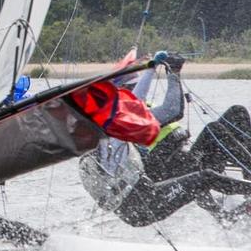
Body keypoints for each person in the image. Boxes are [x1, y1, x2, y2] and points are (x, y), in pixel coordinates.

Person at [80, 53, 251, 226]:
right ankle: (227, 211)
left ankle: (247, 194)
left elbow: (140, 95)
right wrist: (173, 72)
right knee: (213, 135)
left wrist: (151, 67)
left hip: (179, 163)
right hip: (160, 177)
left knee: (237, 113)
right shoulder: (118, 124)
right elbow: (173, 110)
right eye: (129, 89)